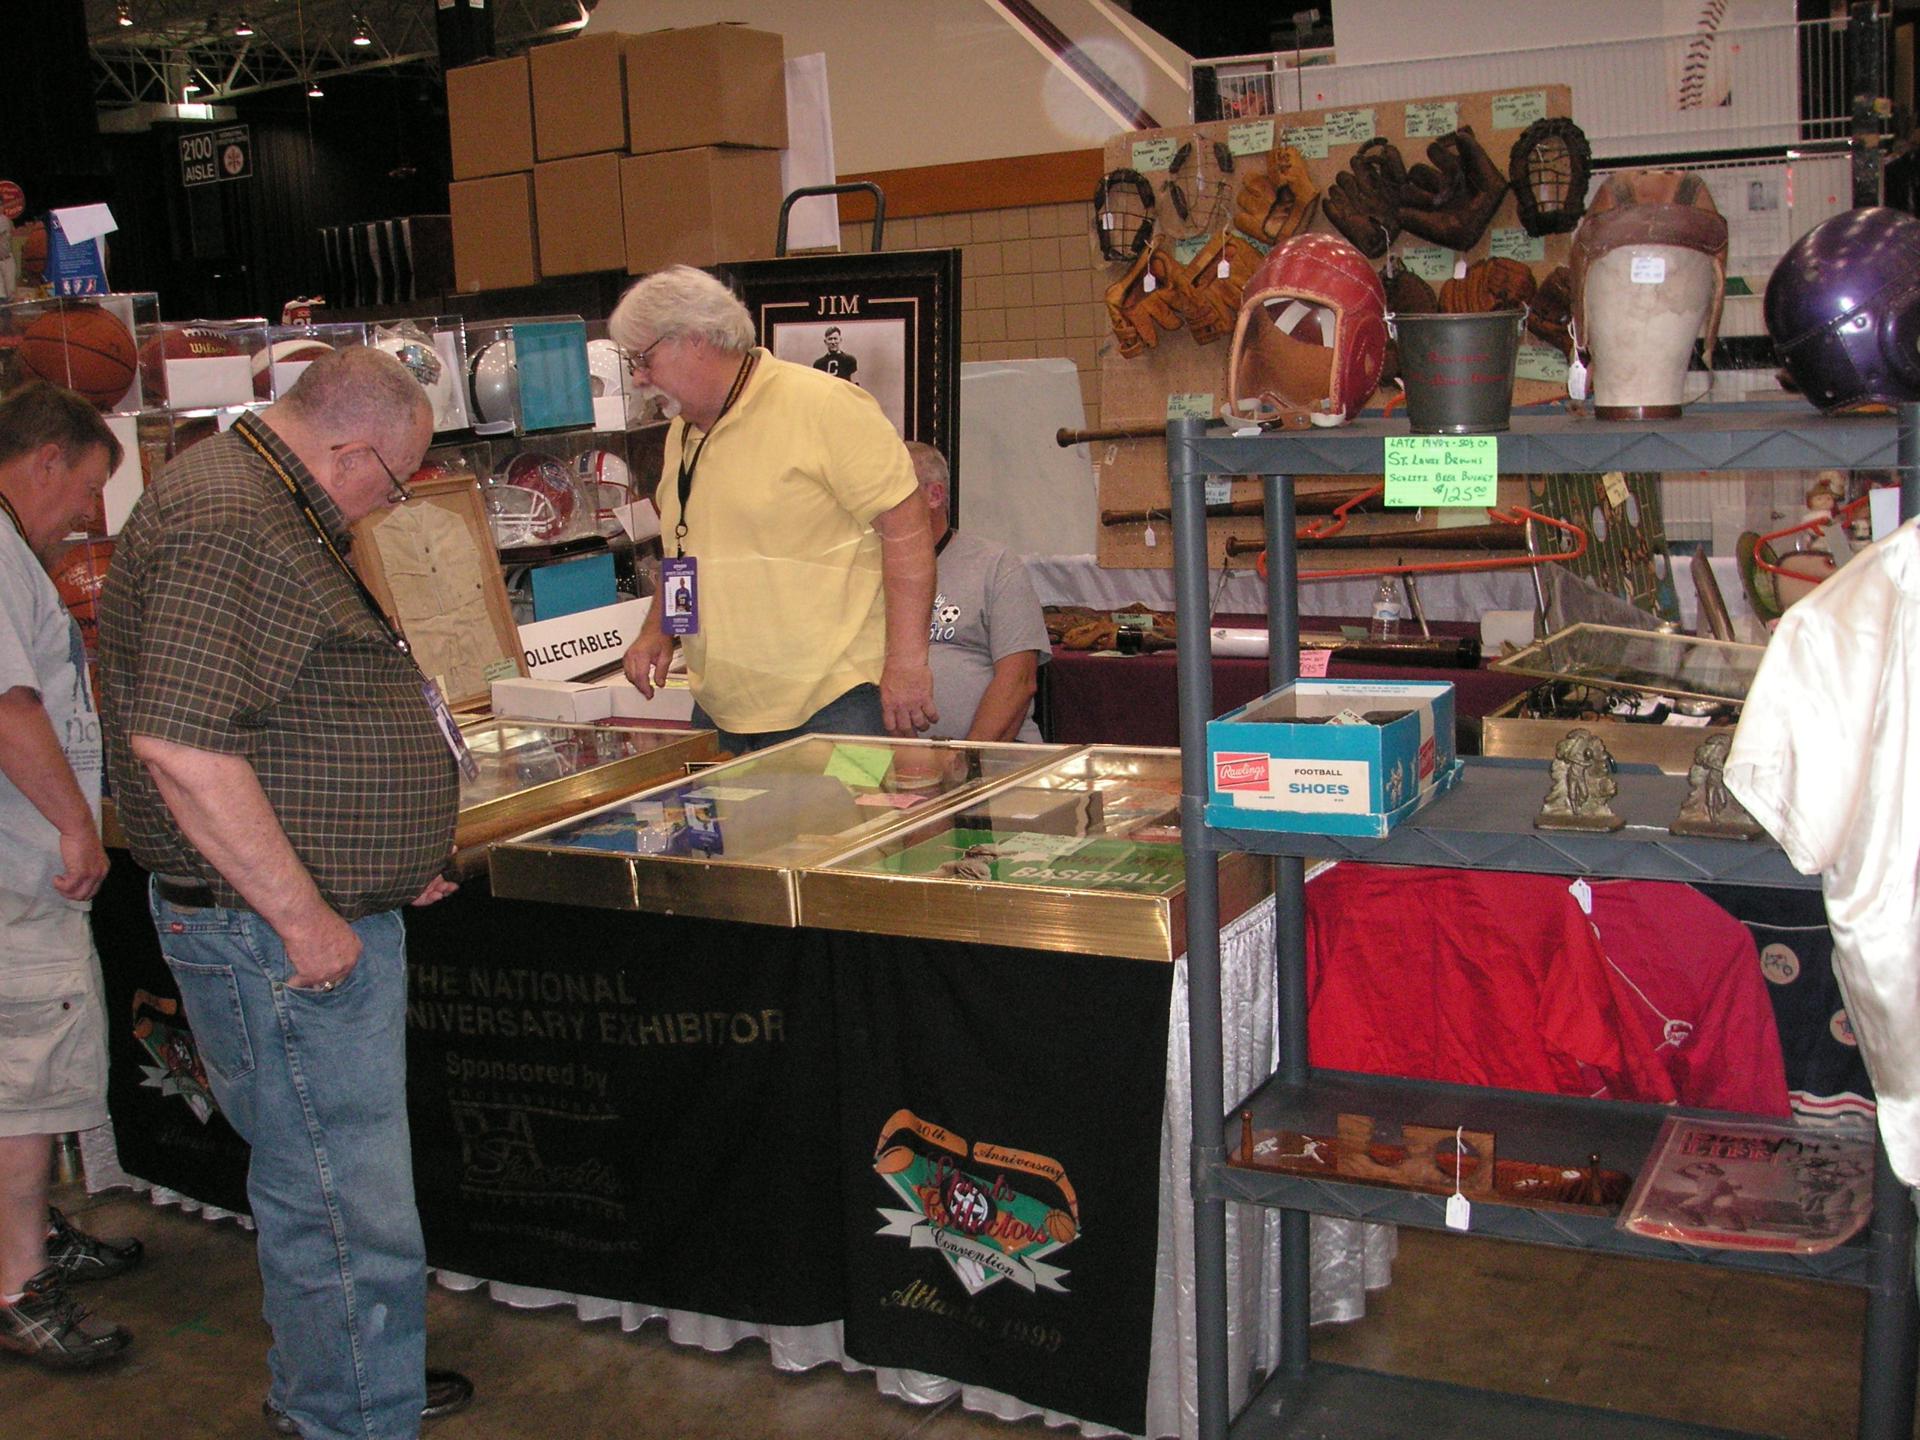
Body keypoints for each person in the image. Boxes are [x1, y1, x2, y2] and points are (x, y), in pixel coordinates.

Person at [95, 347, 473, 1437]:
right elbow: (181, 751)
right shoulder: (229, 520)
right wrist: (306, 917)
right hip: (277, 942)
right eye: (392, 482)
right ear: (349, 450)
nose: (386, 503)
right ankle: (351, 1415)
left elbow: (288, 713)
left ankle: (347, 1384)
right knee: (343, 1212)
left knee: (341, 1201)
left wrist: (385, 856)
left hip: (309, 921)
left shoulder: (268, 500)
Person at [613, 266, 937, 754]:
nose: (639, 378)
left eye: (643, 359)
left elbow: (907, 532)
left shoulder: (825, 405)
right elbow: (686, 549)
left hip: (840, 707)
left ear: (695, 338)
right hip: (722, 710)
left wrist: (908, 664)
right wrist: (661, 629)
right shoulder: (683, 432)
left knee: (850, 810)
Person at [0, 381, 144, 1371]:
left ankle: (33, 1237)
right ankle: (18, 1286)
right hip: (23, 867)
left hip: (20, 864)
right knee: (26, 1084)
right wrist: (74, 825)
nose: (90, 514)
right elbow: (10, 710)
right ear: (46, 458)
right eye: (88, 487)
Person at [906, 442, 1049, 743]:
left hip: (987, 756)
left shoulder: (995, 565)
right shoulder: (862, 570)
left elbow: (1019, 681)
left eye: (893, 491)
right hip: (886, 756)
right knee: (823, 766)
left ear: (934, 495)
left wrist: (968, 759)